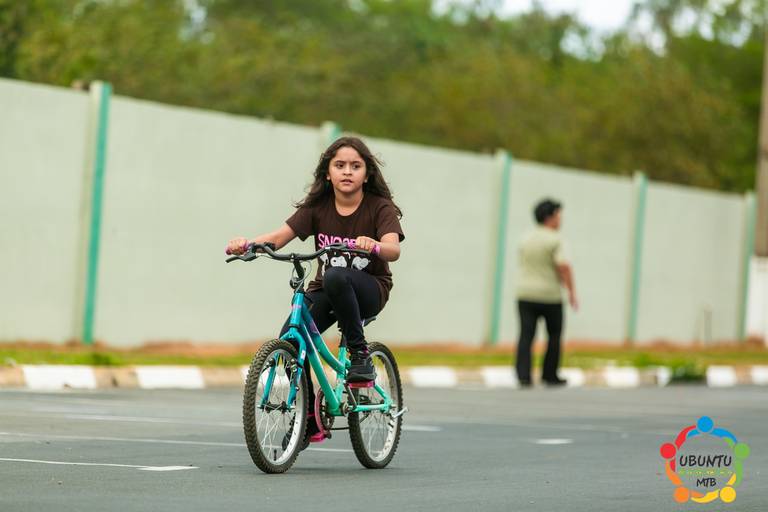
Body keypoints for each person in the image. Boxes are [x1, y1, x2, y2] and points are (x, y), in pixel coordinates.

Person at [226, 136, 404, 434]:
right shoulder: (317, 208)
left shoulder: (379, 207)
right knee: (290, 340)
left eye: (355, 166)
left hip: (370, 289)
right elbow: (279, 237)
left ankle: (360, 356)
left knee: (335, 275)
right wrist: (246, 244)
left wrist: (374, 245)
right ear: (328, 173)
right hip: (327, 291)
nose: (347, 172)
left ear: (367, 174)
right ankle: (309, 418)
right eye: (340, 165)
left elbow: (393, 249)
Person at [514, 198, 578, 388]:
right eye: (558, 215)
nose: (560, 219)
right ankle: (550, 374)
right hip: (549, 295)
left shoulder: (526, 238)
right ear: (549, 217)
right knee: (554, 335)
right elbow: (563, 266)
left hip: (525, 293)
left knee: (526, 335)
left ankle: (523, 375)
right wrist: (572, 291)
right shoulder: (555, 239)